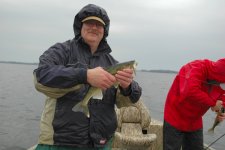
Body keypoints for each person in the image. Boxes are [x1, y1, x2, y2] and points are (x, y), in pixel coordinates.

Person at [33, 4, 142, 150]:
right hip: (61, 141)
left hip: (101, 143)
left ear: (105, 31)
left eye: (99, 25)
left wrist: (127, 87)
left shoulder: (112, 63)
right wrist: (84, 75)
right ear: (80, 26)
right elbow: (41, 76)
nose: (94, 27)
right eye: (90, 23)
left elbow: (128, 101)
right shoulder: (62, 51)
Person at [163, 58, 225, 150]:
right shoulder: (196, 67)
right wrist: (212, 103)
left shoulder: (220, 82)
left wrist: (221, 110)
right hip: (175, 116)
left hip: (194, 121)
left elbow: (222, 98)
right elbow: (190, 91)